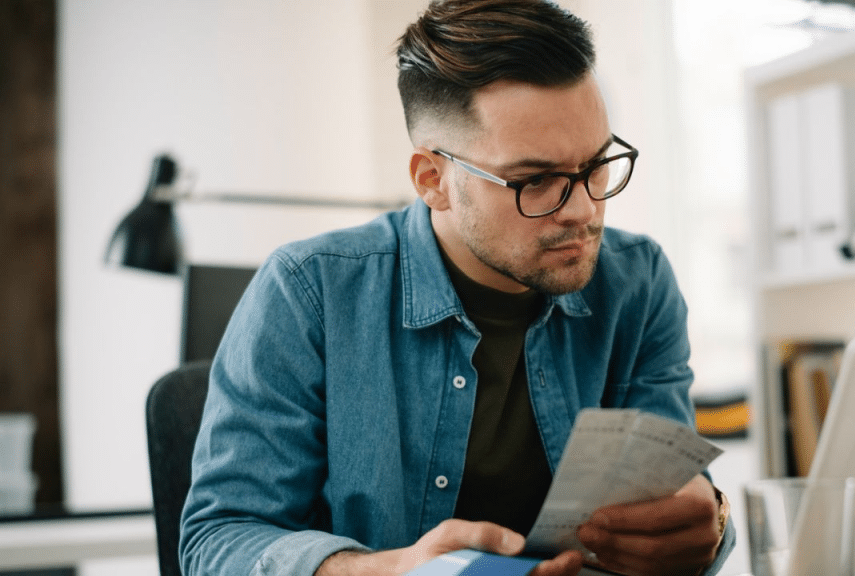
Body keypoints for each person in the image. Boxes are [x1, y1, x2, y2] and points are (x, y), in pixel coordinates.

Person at [179, 1, 736, 575]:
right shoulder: (309, 292)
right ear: (432, 180)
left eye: (596, 166)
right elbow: (218, 543)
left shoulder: (636, 283)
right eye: (536, 181)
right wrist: (394, 571)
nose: (585, 210)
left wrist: (708, 519)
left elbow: (675, 499)